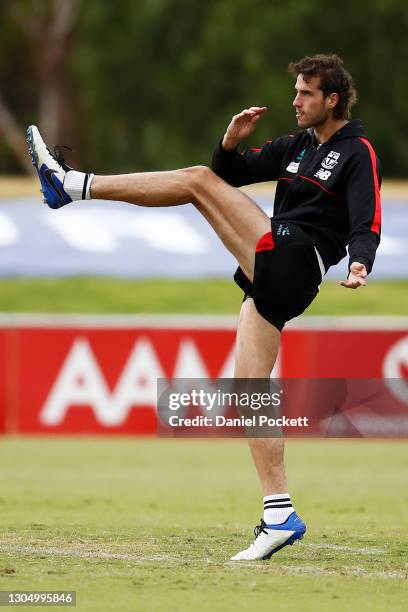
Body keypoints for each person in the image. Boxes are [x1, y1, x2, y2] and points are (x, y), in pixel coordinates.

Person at [27, 53, 381, 561]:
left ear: (333, 99)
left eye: (306, 94)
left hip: (299, 259)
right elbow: (229, 176)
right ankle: (279, 513)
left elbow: (368, 216)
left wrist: (361, 262)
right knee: (250, 393)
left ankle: (72, 185)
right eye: (296, 92)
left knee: (194, 181)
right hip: (274, 274)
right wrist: (230, 143)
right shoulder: (297, 146)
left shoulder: (357, 149)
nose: (295, 101)